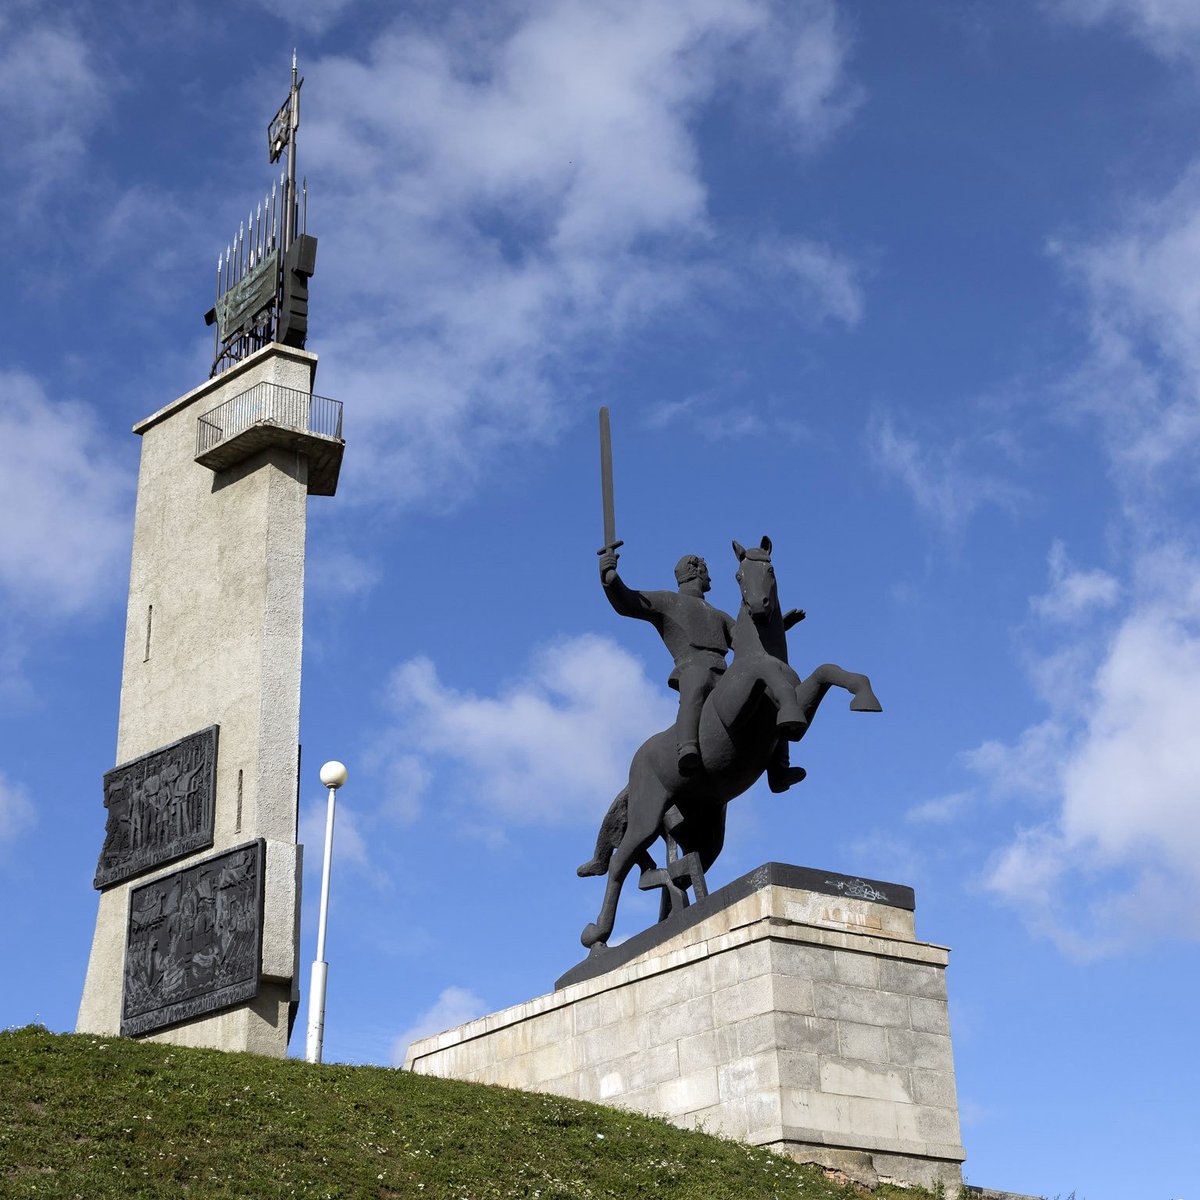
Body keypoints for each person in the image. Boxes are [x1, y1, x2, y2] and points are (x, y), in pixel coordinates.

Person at [599, 548, 734, 774]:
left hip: (724, 671)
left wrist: (770, 626)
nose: (710, 576)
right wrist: (609, 578)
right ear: (696, 571)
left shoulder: (718, 615)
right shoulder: (669, 601)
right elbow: (628, 601)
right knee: (696, 685)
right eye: (706, 570)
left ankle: (777, 763)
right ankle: (687, 746)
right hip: (693, 667)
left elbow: (742, 637)